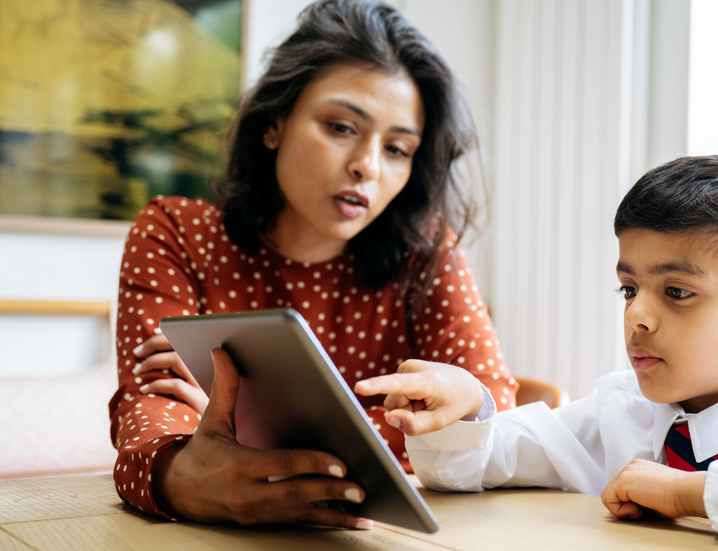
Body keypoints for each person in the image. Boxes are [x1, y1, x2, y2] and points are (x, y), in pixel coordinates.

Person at [356, 155, 718, 550]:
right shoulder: (618, 411)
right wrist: (466, 409)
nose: (636, 314)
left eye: (677, 292)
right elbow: (475, 466)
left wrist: (689, 492)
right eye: (629, 288)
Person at [109, 0, 518, 530]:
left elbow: (490, 410)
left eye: (397, 149)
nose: (367, 166)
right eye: (341, 127)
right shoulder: (176, 233)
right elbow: (149, 422)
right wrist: (177, 476)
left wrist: (252, 432)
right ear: (274, 123)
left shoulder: (426, 254)